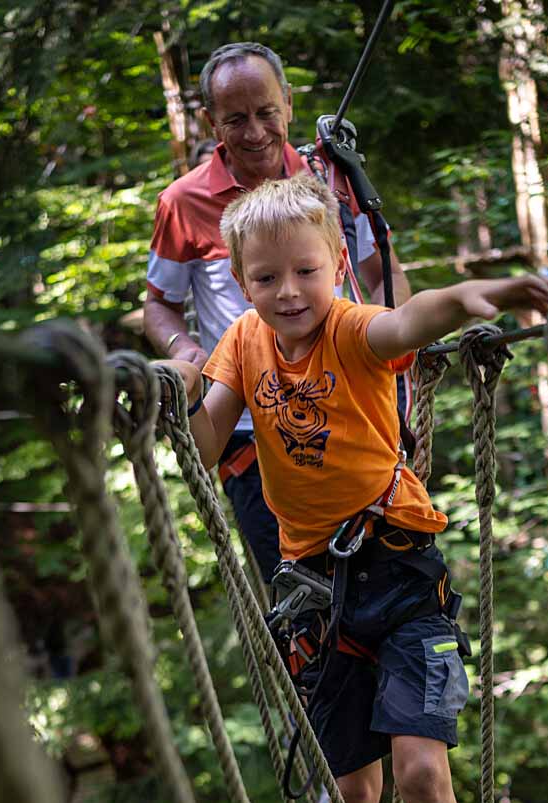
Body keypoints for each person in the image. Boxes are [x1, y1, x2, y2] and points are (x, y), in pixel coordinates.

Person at [162, 175, 548, 803]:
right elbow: (201, 445)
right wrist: (167, 395)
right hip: (314, 587)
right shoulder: (241, 343)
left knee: (422, 771)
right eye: (265, 279)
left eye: (306, 272)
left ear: (337, 265)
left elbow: (419, 316)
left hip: (403, 571)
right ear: (241, 279)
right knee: (350, 791)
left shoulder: (352, 331)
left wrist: (490, 292)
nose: (288, 294)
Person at [145, 41, 410, 580]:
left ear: (289, 102)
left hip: (360, 408)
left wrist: (397, 343)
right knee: (301, 605)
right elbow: (159, 305)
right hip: (251, 430)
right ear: (209, 120)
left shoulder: (333, 179)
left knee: (391, 581)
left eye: (267, 113)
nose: (255, 132)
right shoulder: (183, 202)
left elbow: (383, 273)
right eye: (235, 118)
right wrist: (189, 355)